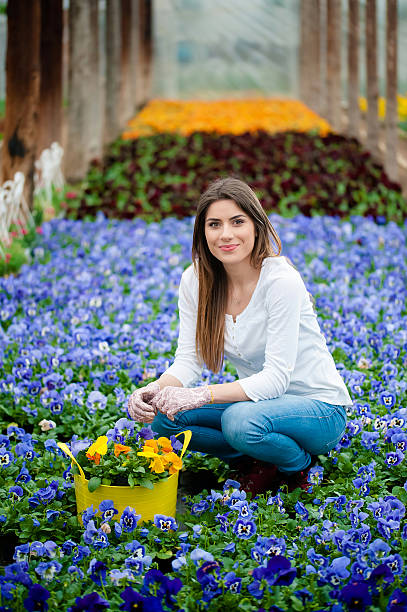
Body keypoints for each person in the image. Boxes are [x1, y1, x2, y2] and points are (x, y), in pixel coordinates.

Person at [128, 177, 352, 495]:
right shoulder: (195, 280)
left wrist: (201, 395)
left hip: (318, 410)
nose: (226, 234)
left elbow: (276, 380)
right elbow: (188, 361)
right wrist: (153, 391)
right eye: (214, 224)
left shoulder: (280, 281)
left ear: (256, 226)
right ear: (202, 233)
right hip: (259, 407)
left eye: (237, 222)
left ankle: (298, 466)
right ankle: (258, 456)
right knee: (165, 419)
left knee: (239, 421)